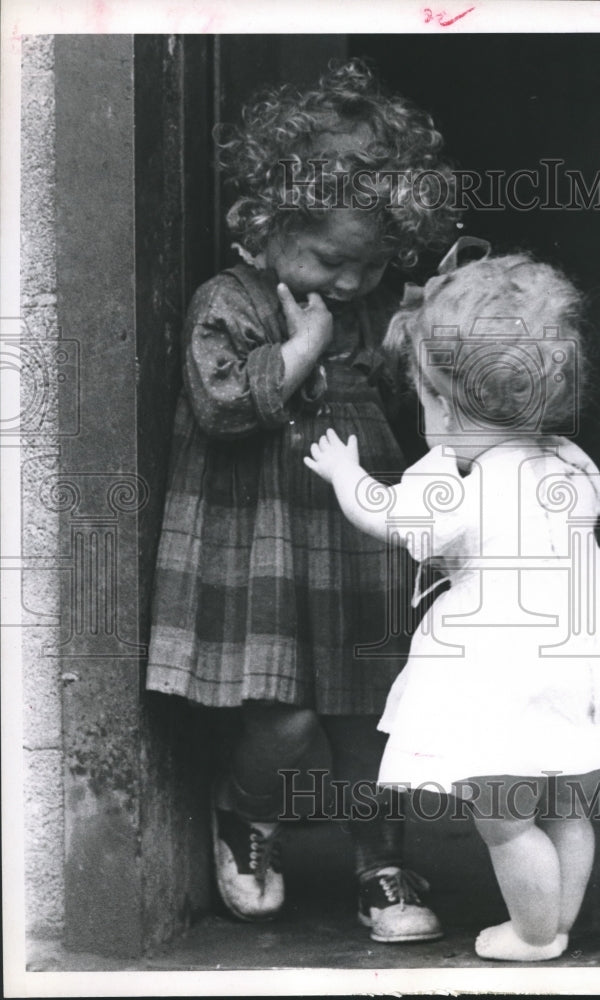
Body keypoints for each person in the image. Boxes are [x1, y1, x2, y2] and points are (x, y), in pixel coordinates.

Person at [305, 247, 600, 960]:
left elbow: (388, 517)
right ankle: (557, 924)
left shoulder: (452, 485)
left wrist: (344, 473)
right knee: (568, 803)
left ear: (446, 404)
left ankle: (534, 932)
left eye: (423, 398)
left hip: (504, 666)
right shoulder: (569, 461)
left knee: (505, 815)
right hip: (591, 657)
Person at [145, 58, 459, 942]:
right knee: (281, 721)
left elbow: (416, 409)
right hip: (263, 544)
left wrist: (422, 330)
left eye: (371, 264)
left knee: (373, 715)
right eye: (331, 259)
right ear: (267, 222)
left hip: (356, 540)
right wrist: (307, 343)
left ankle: (381, 861)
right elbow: (222, 403)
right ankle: (247, 815)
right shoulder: (231, 300)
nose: (352, 284)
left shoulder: (370, 310)